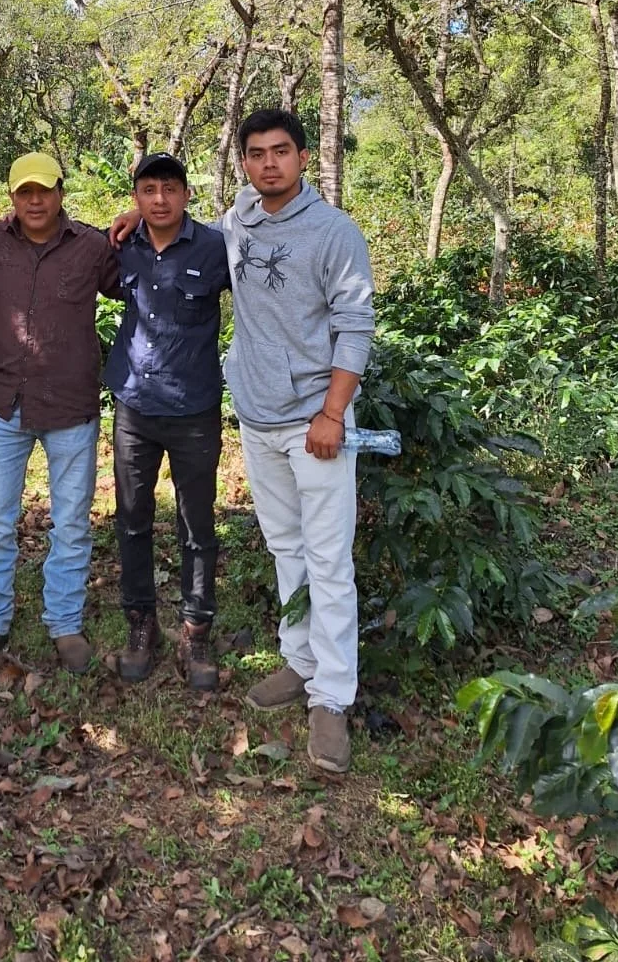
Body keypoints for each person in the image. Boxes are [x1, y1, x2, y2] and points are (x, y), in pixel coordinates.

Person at [223, 109, 374, 774]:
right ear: (246, 163)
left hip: (314, 422)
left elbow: (354, 324)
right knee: (286, 546)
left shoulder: (334, 232)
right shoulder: (239, 221)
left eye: (280, 151)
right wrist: (140, 220)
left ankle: (332, 697)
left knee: (328, 559)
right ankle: (300, 659)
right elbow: (193, 237)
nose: (269, 164)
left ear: (304, 157)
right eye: (256, 154)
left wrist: (333, 413)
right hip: (257, 417)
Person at [0, 152, 121, 674]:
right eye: (25, 191)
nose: (35, 200)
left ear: (60, 193)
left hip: (71, 404)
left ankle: (65, 623)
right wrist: (0, 308)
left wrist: (137, 216)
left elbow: (139, 277)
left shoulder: (93, 247)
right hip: (4, 401)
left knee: (72, 522)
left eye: (44, 190)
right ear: (12, 195)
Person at [104, 153, 230, 690]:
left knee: (197, 525)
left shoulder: (216, 247)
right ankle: (141, 625)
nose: (159, 199)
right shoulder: (119, 246)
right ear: (136, 196)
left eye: (170, 189)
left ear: (186, 194)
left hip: (194, 408)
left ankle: (195, 630)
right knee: (132, 517)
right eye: (148, 190)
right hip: (134, 406)